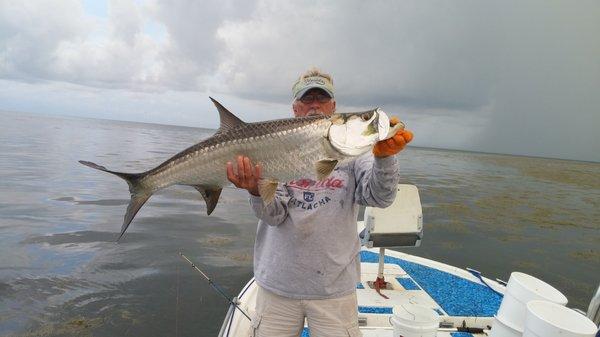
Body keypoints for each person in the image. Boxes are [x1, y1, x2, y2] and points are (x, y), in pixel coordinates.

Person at [226, 68, 413, 337]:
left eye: (321, 98)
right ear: (295, 108)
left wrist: (384, 158)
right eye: (306, 99)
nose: (314, 104)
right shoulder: (278, 147)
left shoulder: (357, 153)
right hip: (278, 286)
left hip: (333, 289)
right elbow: (274, 216)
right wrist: (255, 190)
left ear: (333, 107)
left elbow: (380, 198)